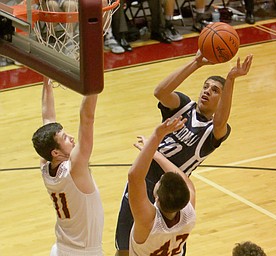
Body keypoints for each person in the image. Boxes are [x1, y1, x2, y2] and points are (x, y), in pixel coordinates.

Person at [114, 52, 254, 256]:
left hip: (173, 192)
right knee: (124, 247)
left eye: (215, 90)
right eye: (205, 86)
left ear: (223, 99)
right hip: (145, 183)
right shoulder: (183, 106)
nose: (207, 91)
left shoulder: (212, 132)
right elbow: (160, 91)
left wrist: (231, 79)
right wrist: (196, 63)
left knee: (171, 248)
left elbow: (221, 121)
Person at [32, 77, 104, 255]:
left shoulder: (46, 164)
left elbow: (48, 117)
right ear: (56, 152)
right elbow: (87, 118)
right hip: (85, 252)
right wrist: (93, 83)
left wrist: (46, 79)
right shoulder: (75, 168)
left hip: (61, 248)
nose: (71, 137)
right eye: (64, 138)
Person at [128, 117, 196, 256]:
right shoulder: (189, 213)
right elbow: (184, 180)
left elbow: (135, 177)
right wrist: (155, 153)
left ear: (157, 196)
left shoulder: (149, 222)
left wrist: (156, 136)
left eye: (159, 181)